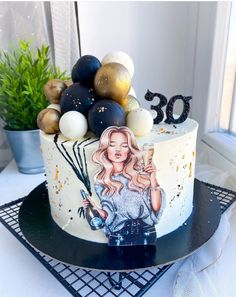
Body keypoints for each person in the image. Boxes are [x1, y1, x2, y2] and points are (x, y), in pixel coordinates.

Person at [83, 126, 165, 246]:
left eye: (124, 145)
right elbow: (108, 215)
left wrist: (152, 176)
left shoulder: (140, 175)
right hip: (118, 236)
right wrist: (94, 208)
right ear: (105, 149)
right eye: (112, 145)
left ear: (130, 150)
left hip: (146, 232)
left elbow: (156, 208)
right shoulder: (103, 182)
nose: (118, 150)